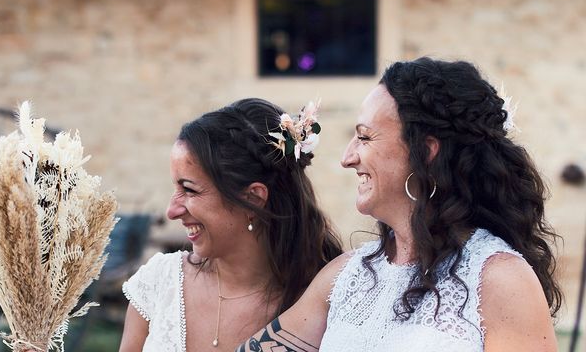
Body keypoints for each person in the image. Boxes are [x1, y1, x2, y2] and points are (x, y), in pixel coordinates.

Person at [238, 57, 562, 352]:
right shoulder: (346, 275)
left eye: (364, 137)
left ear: (425, 150)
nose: (347, 158)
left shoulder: (500, 279)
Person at [118, 98, 342, 351]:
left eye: (189, 190)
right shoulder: (159, 283)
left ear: (252, 199)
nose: (172, 211)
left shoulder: (324, 301)